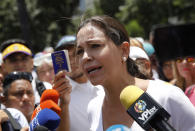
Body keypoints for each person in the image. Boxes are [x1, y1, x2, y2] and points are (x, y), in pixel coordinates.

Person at [59, 15, 195, 131]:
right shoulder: (93, 108)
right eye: (80, 51)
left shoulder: (167, 96)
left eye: (95, 46)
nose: (85, 57)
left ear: (124, 50)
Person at [54, 35, 103, 131]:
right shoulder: (56, 95)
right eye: (66, 57)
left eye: (76, 54)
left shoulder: (103, 85)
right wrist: (63, 103)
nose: (72, 61)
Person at [0, 39, 52, 104]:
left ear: (32, 62)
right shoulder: (1, 94)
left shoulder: (47, 89)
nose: (19, 64)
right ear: (3, 66)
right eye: (13, 60)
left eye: (24, 59)